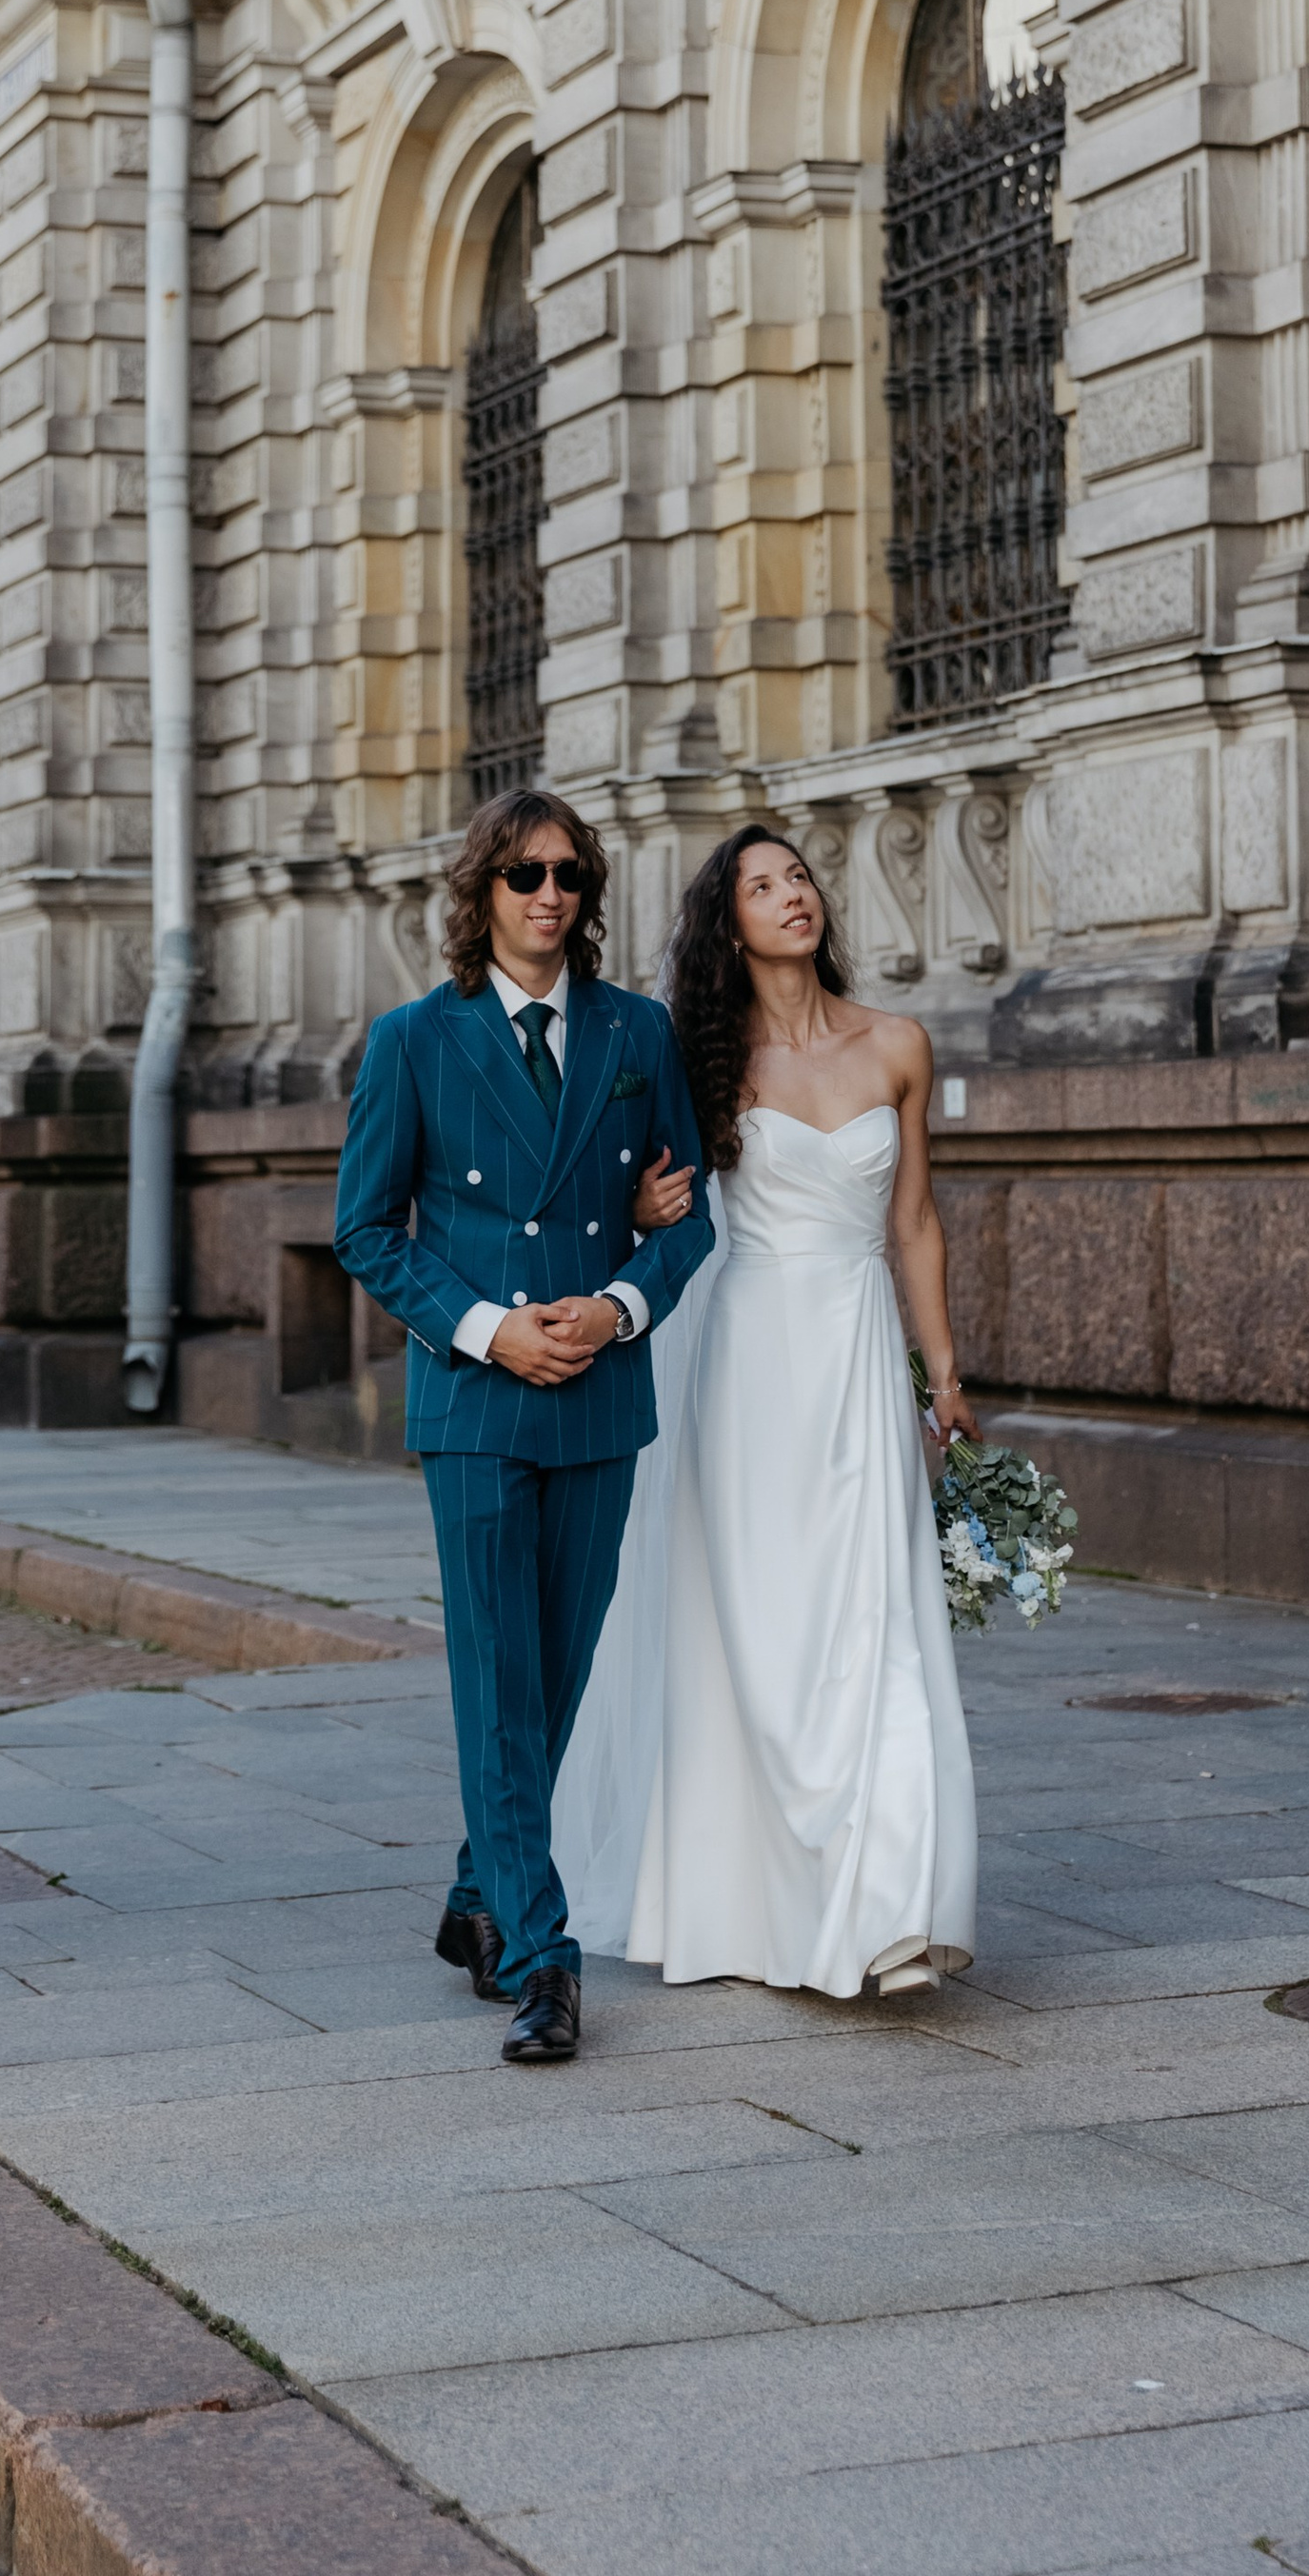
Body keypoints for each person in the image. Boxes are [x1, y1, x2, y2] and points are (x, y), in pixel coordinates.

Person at [554, 822, 978, 1996]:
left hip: (852, 1351)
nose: (791, 895)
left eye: (798, 876)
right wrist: (641, 1203)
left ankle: (888, 1912)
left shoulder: (896, 1044)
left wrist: (942, 1377)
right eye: (761, 885)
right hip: (743, 1362)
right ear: (725, 922)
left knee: (875, 1623)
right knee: (755, 1633)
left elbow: (913, 1224)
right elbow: (645, 1204)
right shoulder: (699, 1061)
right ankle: (756, 1908)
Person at [332, 787, 711, 2064]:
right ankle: (543, 1959)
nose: (549, 895)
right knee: (500, 1680)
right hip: (480, 1400)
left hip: (601, 1392)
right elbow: (368, 1230)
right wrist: (494, 1326)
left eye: (568, 877)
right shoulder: (414, 1041)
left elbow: (691, 1216)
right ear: (480, 895)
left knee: (552, 1677)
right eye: (524, 875)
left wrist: (616, 1306)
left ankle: (473, 1890)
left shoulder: (635, 1032)